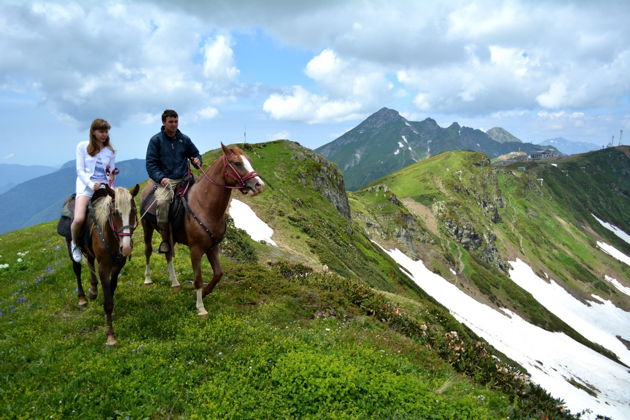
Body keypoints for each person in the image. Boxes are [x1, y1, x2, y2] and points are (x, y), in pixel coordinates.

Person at [146, 109, 202, 253]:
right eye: (171, 122)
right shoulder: (156, 140)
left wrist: (197, 160)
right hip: (166, 181)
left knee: (203, 195)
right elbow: (151, 164)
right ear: (164, 122)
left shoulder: (184, 139)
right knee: (163, 204)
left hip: (186, 178)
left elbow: (195, 154)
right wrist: (161, 178)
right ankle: (165, 239)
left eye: (176, 121)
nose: (174, 124)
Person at [70, 118, 116, 263]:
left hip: (104, 187)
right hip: (86, 187)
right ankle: (75, 243)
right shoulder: (82, 146)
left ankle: (119, 241)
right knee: (78, 219)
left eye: (106, 131)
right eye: (101, 131)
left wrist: (111, 178)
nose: (104, 134)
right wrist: (91, 185)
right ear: (93, 132)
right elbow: (80, 170)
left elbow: (111, 170)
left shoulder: (110, 151)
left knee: (119, 212)